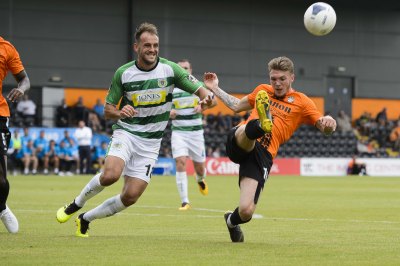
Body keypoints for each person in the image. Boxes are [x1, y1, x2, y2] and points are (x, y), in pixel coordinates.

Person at [56, 22, 216, 237]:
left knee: (130, 197)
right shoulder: (124, 73)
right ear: (136, 48)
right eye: (147, 45)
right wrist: (120, 112)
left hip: (151, 143)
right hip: (127, 133)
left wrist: (208, 100)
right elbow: (108, 111)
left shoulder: (170, 70)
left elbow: (206, 95)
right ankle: (76, 203)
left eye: (155, 45)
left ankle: (85, 218)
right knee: (111, 175)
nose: (152, 49)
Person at [203, 56, 336, 242]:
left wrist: (330, 123)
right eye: (273, 79)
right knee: (247, 131)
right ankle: (260, 125)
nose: (277, 83)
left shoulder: (302, 102)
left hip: (262, 155)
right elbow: (235, 106)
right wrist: (215, 88)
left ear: (292, 78)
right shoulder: (262, 90)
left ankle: (231, 222)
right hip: (240, 140)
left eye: (282, 79)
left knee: (246, 211)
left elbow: (324, 127)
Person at [170, 59, 209, 211]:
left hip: (196, 134)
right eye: (181, 69)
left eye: (186, 68)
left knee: (200, 169)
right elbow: (161, 107)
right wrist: (169, 112)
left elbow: (212, 101)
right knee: (180, 161)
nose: (184, 71)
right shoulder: (171, 89)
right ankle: (185, 201)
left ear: (191, 70)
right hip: (179, 132)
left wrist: (203, 105)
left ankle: (199, 179)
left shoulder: (199, 87)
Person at [0, 36, 30, 233]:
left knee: (1, 180)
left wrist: (21, 89)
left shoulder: (6, 48)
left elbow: (24, 79)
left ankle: (1, 207)